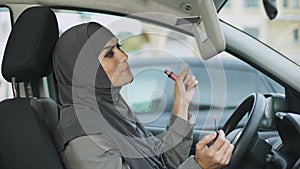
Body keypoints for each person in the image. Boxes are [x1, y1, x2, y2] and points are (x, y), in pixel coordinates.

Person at [53, 22, 234, 169]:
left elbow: (163, 160)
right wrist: (199, 166)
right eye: (109, 54)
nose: (124, 56)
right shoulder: (85, 137)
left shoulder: (110, 108)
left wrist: (182, 103)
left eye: (119, 47)